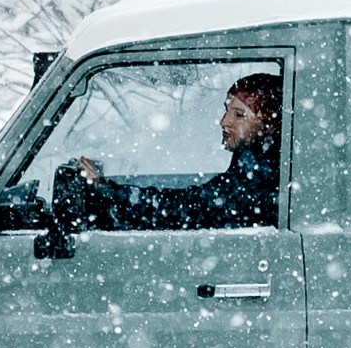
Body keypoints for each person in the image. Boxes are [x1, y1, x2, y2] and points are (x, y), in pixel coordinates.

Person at [65, 72, 282, 231]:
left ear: (268, 123)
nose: (224, 121)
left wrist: (109, 192)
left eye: (239, 115)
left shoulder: (263, 177)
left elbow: (189, 208)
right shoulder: (253, 161)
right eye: (227, 111)